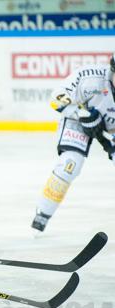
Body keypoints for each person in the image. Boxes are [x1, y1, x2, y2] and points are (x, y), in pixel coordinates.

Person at [31, 55, 115, 234]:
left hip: (110, 129)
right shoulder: (90, 77)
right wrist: (82, 114)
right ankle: (42, 214)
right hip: (78, 119)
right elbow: (56, 98)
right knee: (70, 164)